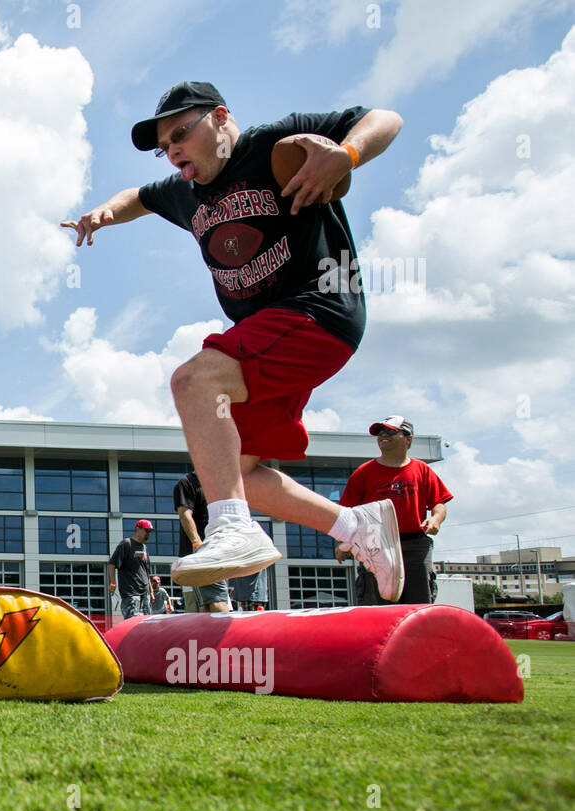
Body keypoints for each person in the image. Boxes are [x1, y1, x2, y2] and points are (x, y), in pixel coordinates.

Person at [62, 81, 407, 601]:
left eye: (181, 133)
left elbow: (387, 118)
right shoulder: (186, 192)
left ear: (221, 118)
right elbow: (139, 196)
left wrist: (347, 154)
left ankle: (233, 530)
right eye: (165, 146)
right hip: (271, 339)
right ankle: (358, 528)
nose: (174, 150)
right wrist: (105, 213)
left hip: (319, 310)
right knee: (242, 472)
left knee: (195, 380)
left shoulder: (271, 146)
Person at [336, 416, 452, 604]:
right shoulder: (363, 473)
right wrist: (344, 541)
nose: (383, 436)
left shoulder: (422, 470)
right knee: (375, 600)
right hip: (375, 544)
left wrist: (436, 519)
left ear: (408, 439)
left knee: (418, 601)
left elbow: (439, 504)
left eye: (390, 432)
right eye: (380, 433)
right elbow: (348, 513)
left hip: (415, 544)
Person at [173, 471, 232, 613]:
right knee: (217, 601)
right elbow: (185, 514)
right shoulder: (187, 483)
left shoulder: (216, 486)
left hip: (215, 551)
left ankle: (206, 635)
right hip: (203, 553)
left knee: (205, 604)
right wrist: (197, 544)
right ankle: (224, 635)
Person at [108, 519, 160, 618]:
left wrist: (151, 591)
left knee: (146, 622)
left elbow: (146, 572)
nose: (148, 534)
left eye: (150, 532)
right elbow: (112, 564)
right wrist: (113, 583)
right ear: (137, 529)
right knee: (132, 622)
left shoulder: (144, 548)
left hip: (145, 593)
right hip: (130, 592)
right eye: (146, 531)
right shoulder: (126, 544)